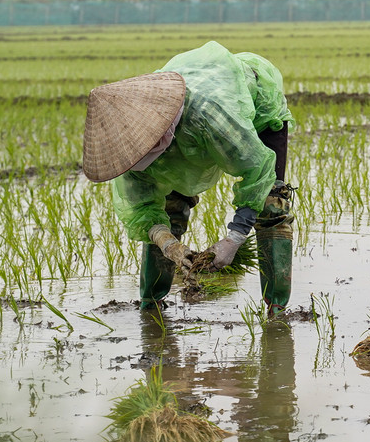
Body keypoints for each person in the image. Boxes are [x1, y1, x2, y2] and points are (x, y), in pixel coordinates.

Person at [81, 40, 296, 314]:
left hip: (252, 105)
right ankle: (151, 304)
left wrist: (234, 238)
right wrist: (169, 244)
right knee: (170, 208)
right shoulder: (126, 145)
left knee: (270, 203)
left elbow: (256, 170)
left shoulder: (208, 115)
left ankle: (276, 308)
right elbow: (143, 209)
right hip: (186, 122)